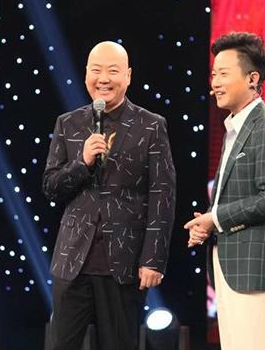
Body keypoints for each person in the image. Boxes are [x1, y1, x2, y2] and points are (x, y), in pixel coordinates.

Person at [42, 41, 176, 350]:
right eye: (96, 70)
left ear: (128, 76)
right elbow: (51, 187)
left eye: (113, 71)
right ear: (86, 75)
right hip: (72, 260)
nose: (103, 78)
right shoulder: (68, 123)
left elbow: (163, 195)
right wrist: (82, 163)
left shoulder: (151, 126)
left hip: (123, 264)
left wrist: (153, 259)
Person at [184, 32, 265, 350]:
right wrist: (209, 223)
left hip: (254, 267)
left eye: (223, 74)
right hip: (231, 262)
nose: (215, 83)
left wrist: (216, 219)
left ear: (252, 78)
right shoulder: (235, 128)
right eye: (214, 74)